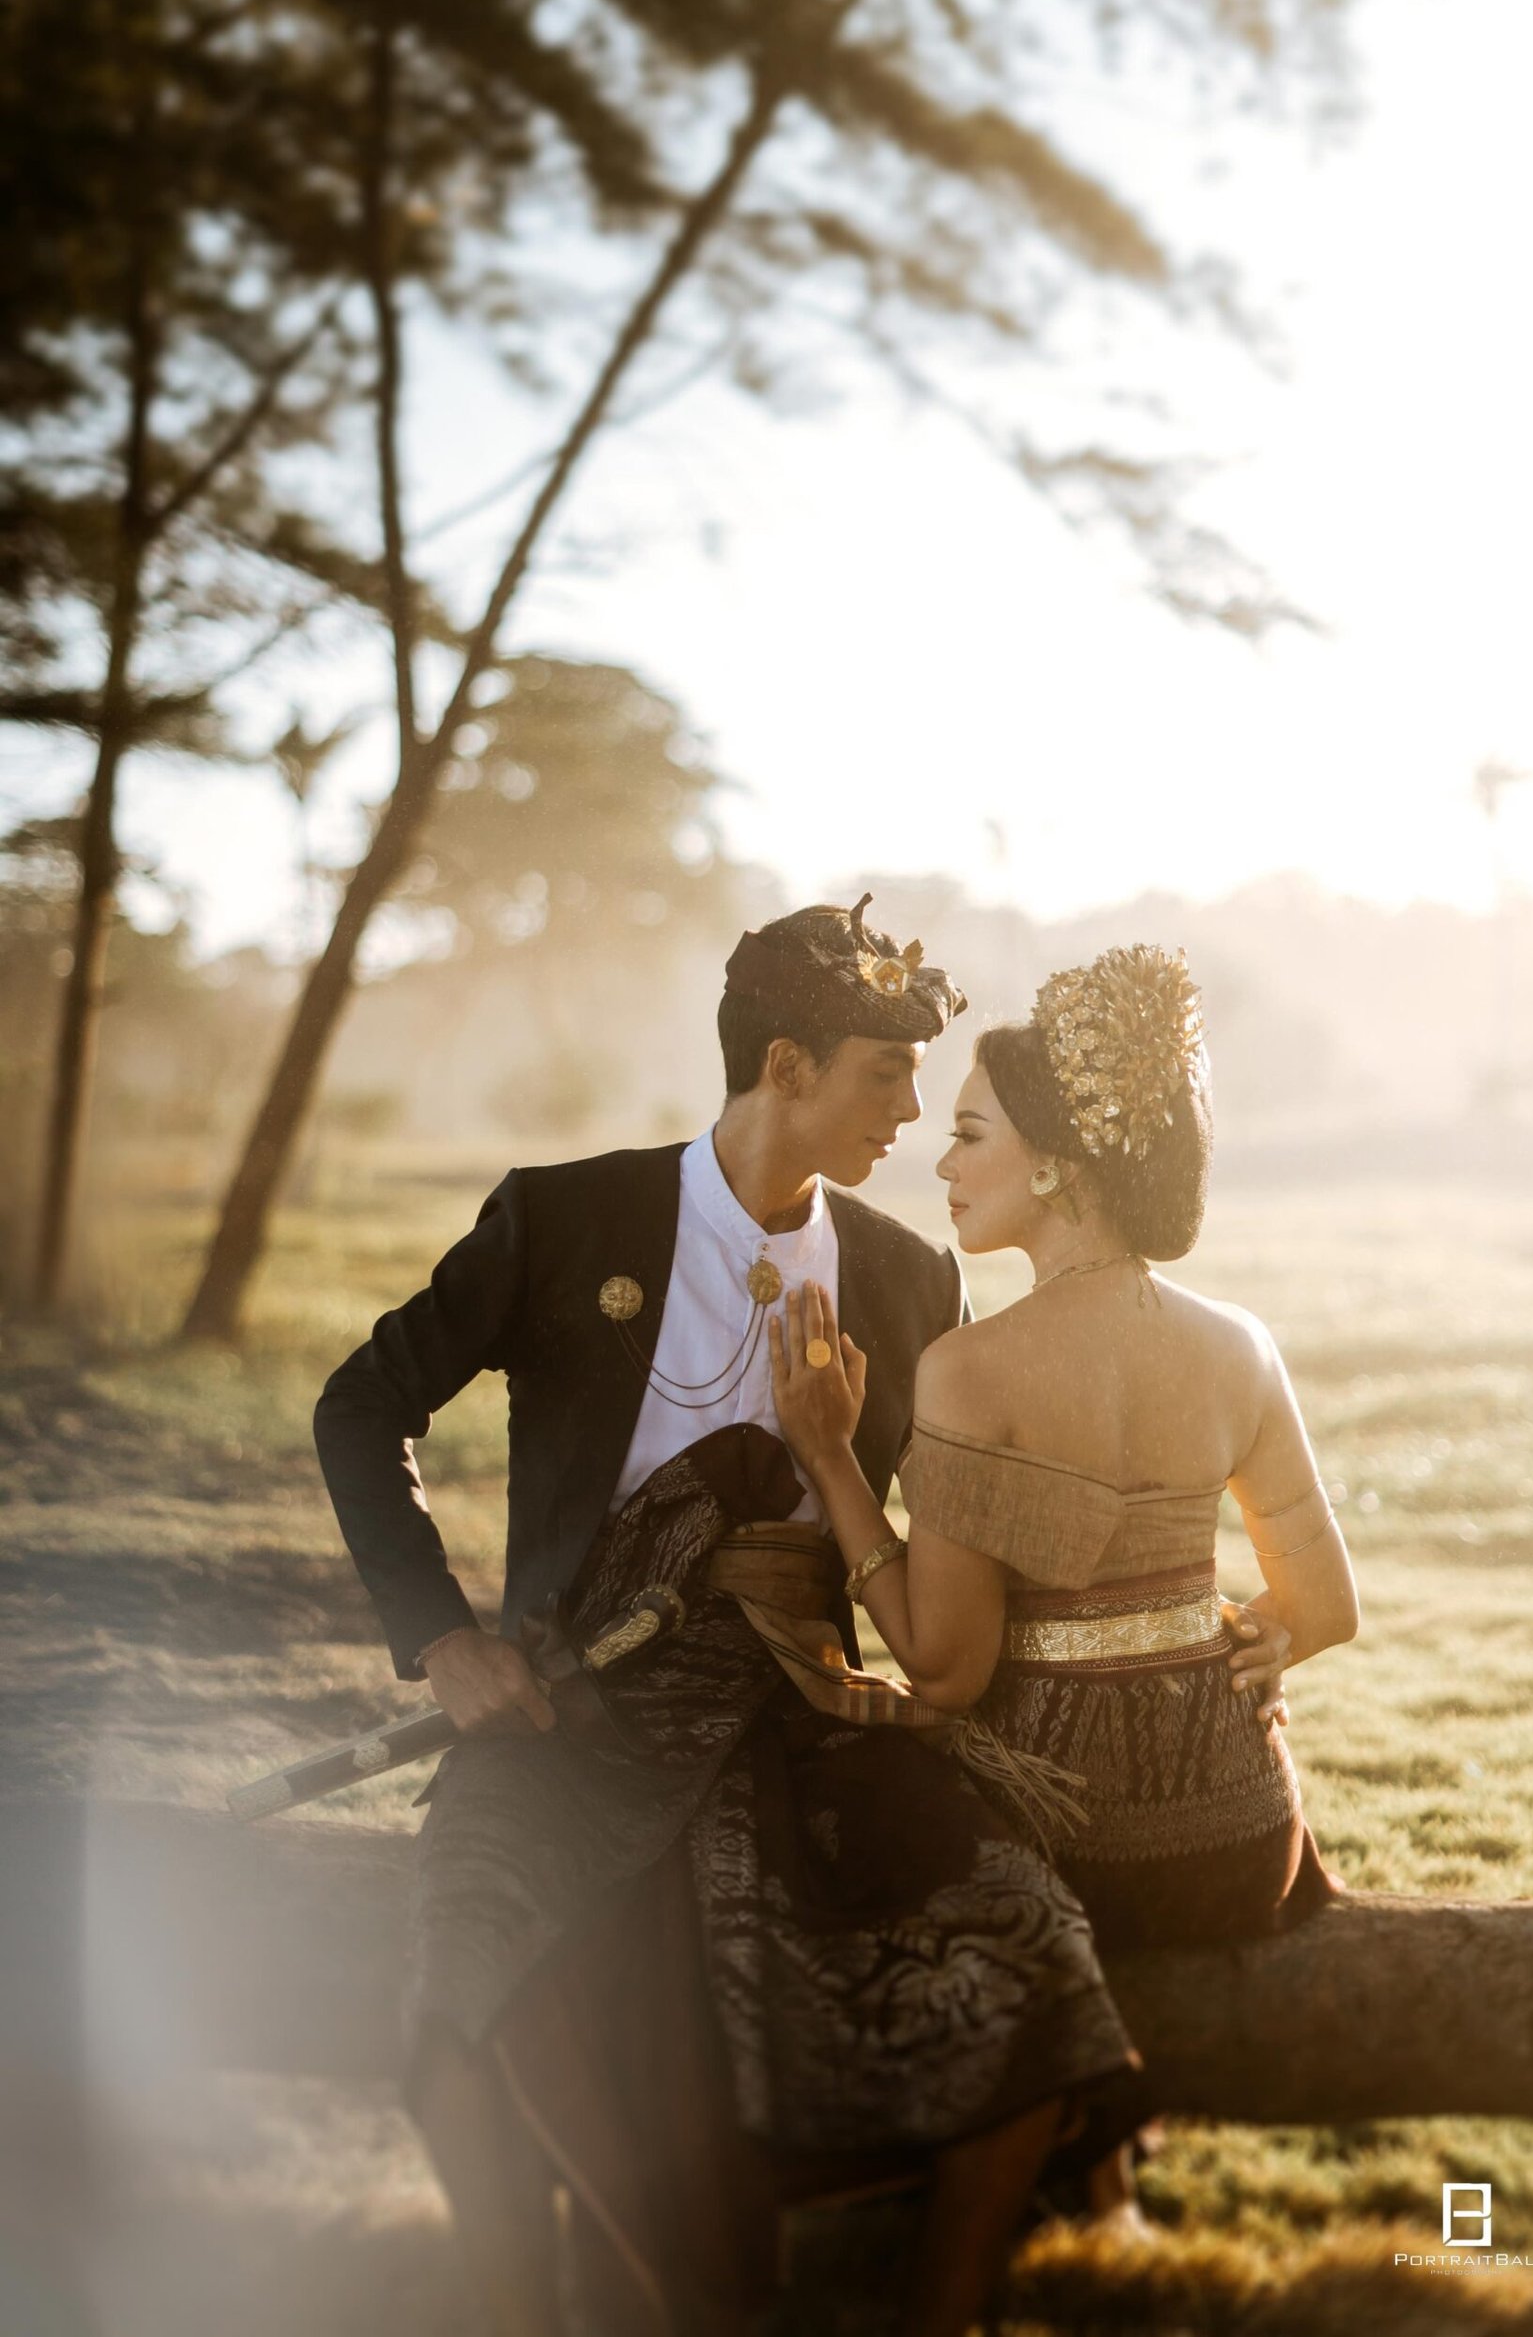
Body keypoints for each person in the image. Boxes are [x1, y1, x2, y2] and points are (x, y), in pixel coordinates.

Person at [315, 903, 1229, 2337]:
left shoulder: (911, 1277)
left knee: (1025, 1929)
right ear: (786, 1064)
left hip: (813, 1710)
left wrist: (1190, 1629)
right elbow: (360, 1406)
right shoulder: (563, 1217)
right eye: (885, 1072)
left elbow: (962, 1537)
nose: (913, 1112)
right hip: (571, 1705)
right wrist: (444, 1638)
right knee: (478, 1962)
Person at [771, 941, 1358, 2227]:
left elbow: (946, 1669)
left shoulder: (971, 1368)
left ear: (1056, 1163)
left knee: (826, 1800)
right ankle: (1098, 2186)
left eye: (968, 1132)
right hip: (1240, 1835)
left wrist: (829, 1455)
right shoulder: (1240, 1344)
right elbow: (1325, 1607)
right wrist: (1247, 1635)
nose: (940, 1161)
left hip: (1072, 1845)